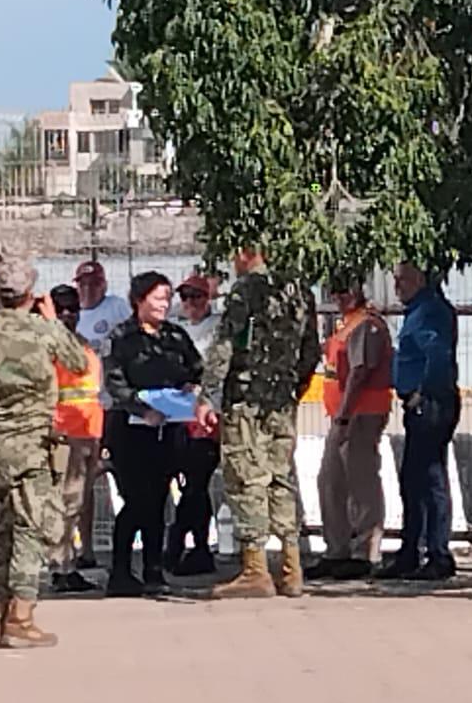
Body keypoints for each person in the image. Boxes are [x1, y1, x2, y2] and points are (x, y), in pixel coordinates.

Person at [0, 257, 88, 648]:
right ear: (31, 294)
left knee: (1, 532)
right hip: (31, 446)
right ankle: (22, 615)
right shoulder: (42, 330)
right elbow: (78, 362)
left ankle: (3, 616)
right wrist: (50, 321)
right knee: (35, 527)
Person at [197, 246, 320, 599]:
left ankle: (255, 569)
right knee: (280, 478)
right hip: (281, 400)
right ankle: (291, 567)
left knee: (245, 475)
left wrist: (209, 395)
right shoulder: (299, 288)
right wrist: (293, 385)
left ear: (247, 252)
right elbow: (311, 348)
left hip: (247, 399)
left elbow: (225, 345)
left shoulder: (248, 288)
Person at [103, 272, 213, 595]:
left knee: (160, 499)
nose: (165, 304)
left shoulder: (175, 336)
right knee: (137, 500)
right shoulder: (121, 337)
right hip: (131, 429)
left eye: (167, 297)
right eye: (158, 297)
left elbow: (196, 368)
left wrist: (191, 387)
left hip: (169, 430)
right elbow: (115, 382)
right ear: (139, 300)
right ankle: (120, 571)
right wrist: (142, 409)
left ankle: (154, 570)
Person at [306, 271, 392, 581]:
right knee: (330, 480)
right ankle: (336, 549)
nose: (340, 296)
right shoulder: (345, 324)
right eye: (335, 290)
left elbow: (359, 372)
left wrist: (344, 415)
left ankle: (364, 551)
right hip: (341, 415)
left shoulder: (367, 325)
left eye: (346, 290)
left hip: (361, 414)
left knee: (361, 481)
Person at [376, 261, 459, 582]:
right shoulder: (420, 310)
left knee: (429, 478)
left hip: (431, 403)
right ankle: (411, 551)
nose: (397, 287)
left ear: (421, 279)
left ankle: (437, 553)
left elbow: (437, 354)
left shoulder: (430, 311)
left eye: (403, 280)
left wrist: (422, 393)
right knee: (414, 478)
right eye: (395, 280)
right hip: (423, 403)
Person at [70, 258, 128, 571]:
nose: (89, 289)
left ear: (104, 285)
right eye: (84, 284)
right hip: (82, 413)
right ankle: (86, 548)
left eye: (94, 283)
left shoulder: (116, 308)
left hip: (113, 408)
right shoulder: (70, 318)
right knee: (83, 486)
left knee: (127, 479)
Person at [45, 284, 102, 595]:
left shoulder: (83, 345)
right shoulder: (50, 346)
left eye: (73, 308)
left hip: (88, 431)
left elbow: (92, 392)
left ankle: (69, 561)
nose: (69, 314)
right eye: (62, 308)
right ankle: (60, 566)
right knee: (63, 503)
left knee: (76, 502)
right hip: (63, 434)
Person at [168, 270, 223, 575]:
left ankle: (183, 542)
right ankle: (194, 545)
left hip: (207, 415)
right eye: (185, 297)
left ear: (208, 299)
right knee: (189, 483)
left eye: (197, 297)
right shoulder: (176, 329)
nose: (190, 303)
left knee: (197, 482)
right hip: (179, 414)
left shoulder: (216, 329)